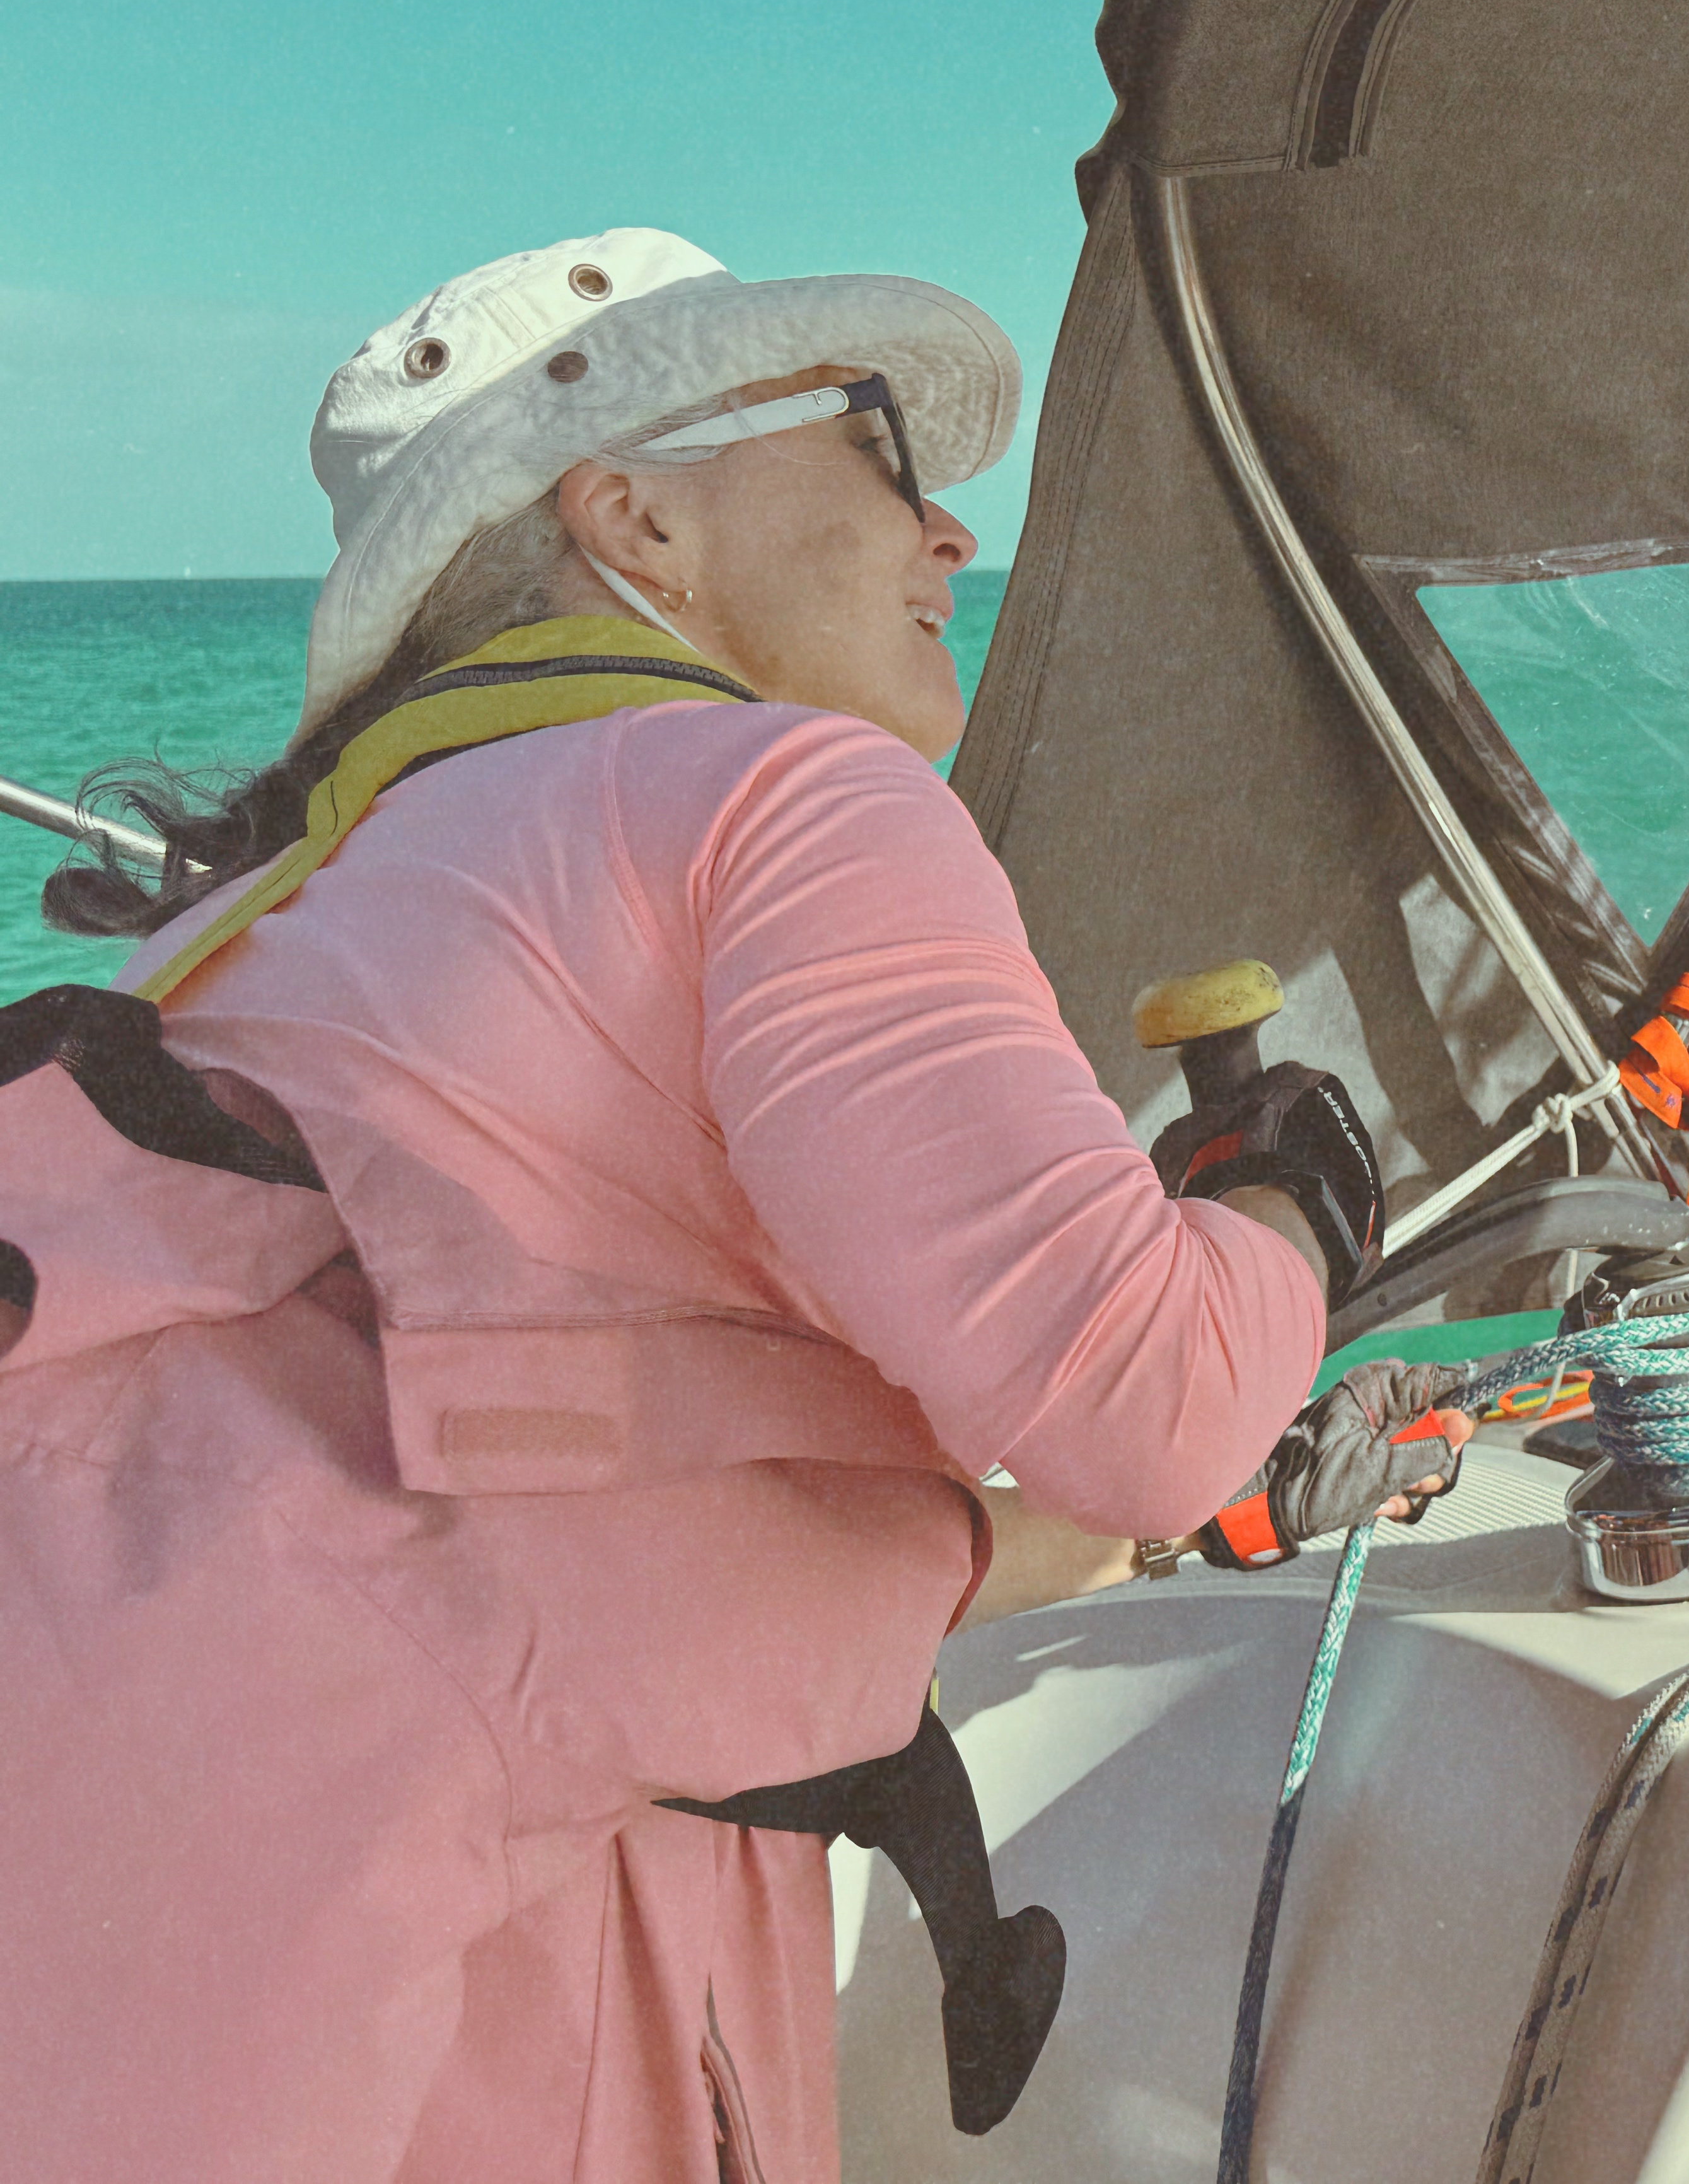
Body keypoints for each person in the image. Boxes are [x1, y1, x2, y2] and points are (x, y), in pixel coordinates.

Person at [0, 228, 1468, 2181]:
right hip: (521, 2001)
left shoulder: (246, 932)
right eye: (876, 446)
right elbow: (1150, 1386)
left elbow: (546, 1493)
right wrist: (1293, 1198)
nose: (953, 533)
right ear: (633, 519)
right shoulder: (774, 799)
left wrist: (1103, 1535)